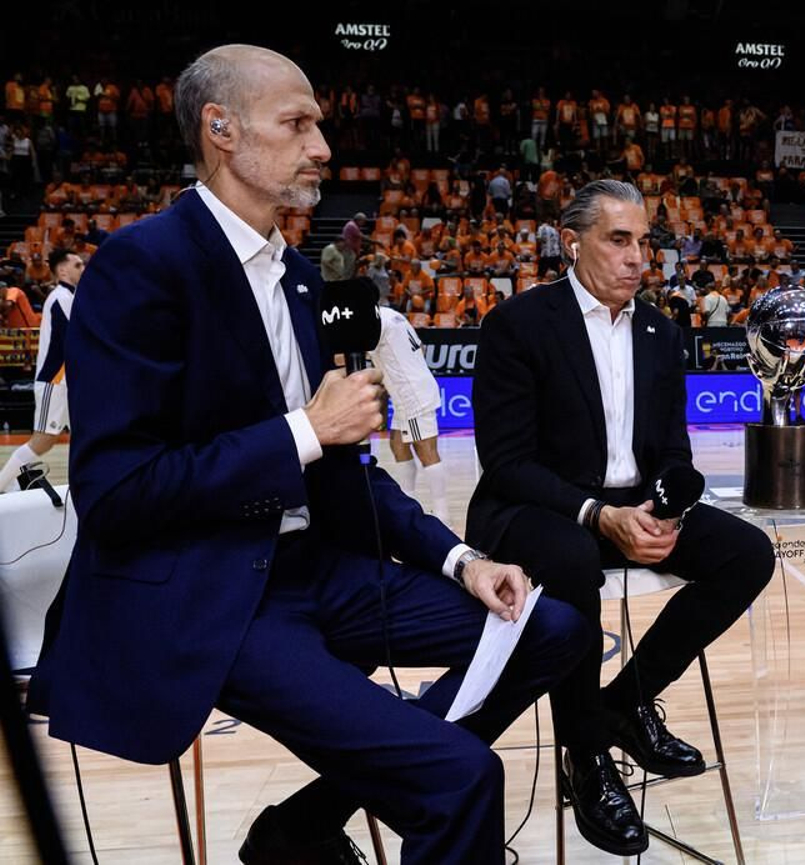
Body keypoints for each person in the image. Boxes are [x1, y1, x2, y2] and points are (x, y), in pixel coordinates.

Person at [25, 46, 585, 863]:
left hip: (316, 566)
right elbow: (117, 491)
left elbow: (345, 471)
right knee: (461, 776)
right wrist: (305, 431)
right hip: (212, 590)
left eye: (317, 123)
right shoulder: (142, 264)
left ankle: (303, 826)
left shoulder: (297, 277)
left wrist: (462, 558)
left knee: (552, 628)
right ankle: (384, 797)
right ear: (221, 130)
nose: (322, 144)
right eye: (297, 123)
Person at [468, 179, 775, 857]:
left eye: (645, 241)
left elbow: (673, 451)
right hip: (536, 508)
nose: (640, 256)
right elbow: (506, 462)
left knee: (747, 553)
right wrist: (597, 514)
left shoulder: (662, 331)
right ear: (572, 241)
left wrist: (666, 508)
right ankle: (584, 752)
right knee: (574, 559)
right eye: (620, 239)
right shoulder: (518, 324)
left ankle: (624, 705)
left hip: (628, 503)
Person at [2, 249, 82, 491]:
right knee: (43, 441)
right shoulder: (61, 298)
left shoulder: (71, 297)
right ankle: (3, 485)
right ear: (62, 270)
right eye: (77, 265)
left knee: (85, 435)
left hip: (70, 382)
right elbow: (79, 340)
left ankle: (81, 487)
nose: (83, 269)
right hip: (55, 381)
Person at [372, 304, 450, 523]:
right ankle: (409, 503)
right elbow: (421, 347)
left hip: (411, 394)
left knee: (426, 451)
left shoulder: (377, 322)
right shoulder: (393, 315)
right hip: (405, 391)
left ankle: (443, 515)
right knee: (398, 444)